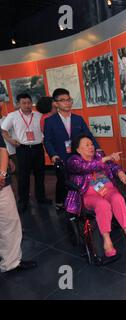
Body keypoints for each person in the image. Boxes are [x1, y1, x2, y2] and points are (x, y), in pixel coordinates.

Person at [64, 134, 126, 257]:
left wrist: (120, 172)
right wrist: (105, 159)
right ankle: (107, 242)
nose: (91, 147)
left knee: (118, 198)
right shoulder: (73, 161)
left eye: (91, 144)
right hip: (88, 194)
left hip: (107, 189)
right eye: (86, 145)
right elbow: (86, 167)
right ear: (78, 149)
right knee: (103, 205)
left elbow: (113, 166)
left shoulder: (98, 155)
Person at [43, 88, 101, 210]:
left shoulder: (78, 119)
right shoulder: (50, 121)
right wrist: (53, 155)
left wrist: (97, 149)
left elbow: (88, 135)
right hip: (60, 157)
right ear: (55, 103)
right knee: (63, 180)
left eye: (69, 100)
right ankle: (61, 202)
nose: (67, 103)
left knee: (80, 180)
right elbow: (47, 140)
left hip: (78, 157)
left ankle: (81, 204)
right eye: (63, 100)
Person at [1, 93, 51, 213]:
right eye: (24, 103)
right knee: (23, 176)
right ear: (18, 104)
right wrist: (10, 140)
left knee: (40, 174)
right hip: (22, 149)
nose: (27, 105)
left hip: (38, 148)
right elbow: (3, 130)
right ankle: (23, 201)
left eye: (29, 103)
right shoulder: (12, 116)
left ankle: (41, 197)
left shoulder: (39, 115)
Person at [0, 132, 37, 272]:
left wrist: (2, 174)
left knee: (10, 221)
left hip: (1, 183)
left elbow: (2, 148)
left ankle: (11, 262)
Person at [0, 97, 18, 193]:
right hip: (2, 154)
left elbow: (13, 135)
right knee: (5, 177)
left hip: (11, 152)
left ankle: (23, 196)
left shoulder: (7, 119)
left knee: (18, 174)